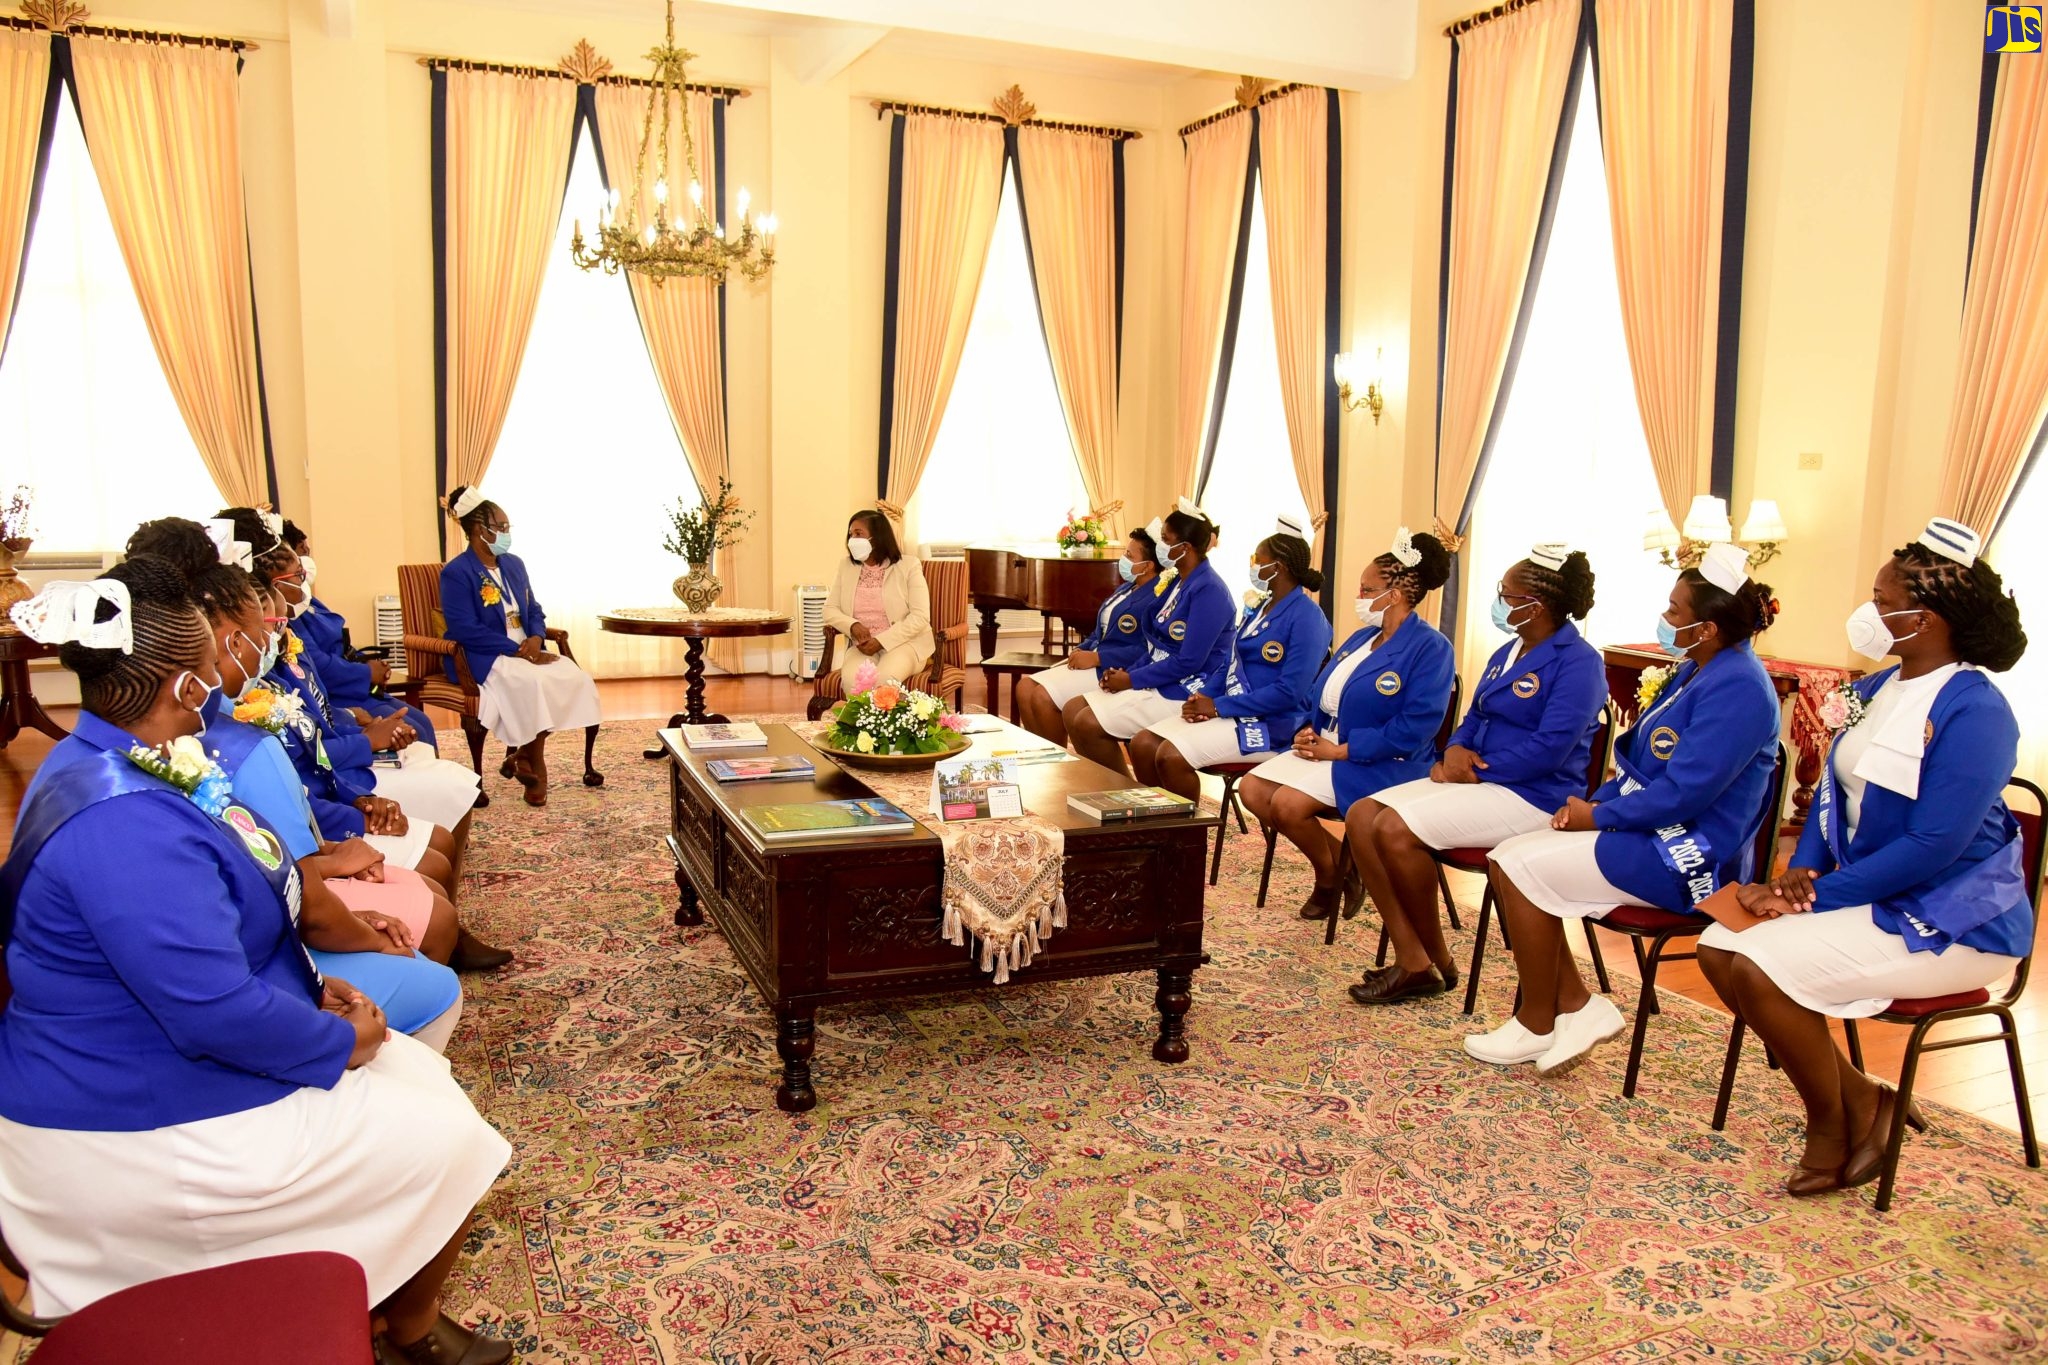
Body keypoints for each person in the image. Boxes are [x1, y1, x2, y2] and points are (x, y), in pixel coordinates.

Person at [0, 565, 513, 1363]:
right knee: (448, 1134)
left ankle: (374, 1294)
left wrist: (312, 986)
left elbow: (225, 931)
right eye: (210, 668)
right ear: (185, 683)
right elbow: (208, 1010)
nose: (222, 682)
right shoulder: (124, 824)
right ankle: (395, 1323)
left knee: (426, 1080)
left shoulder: (110, 759)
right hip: (127, 1119)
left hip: (150, 1054)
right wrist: (337, 1043)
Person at [1700, 520, 2032, 1196]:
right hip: (1873, 894)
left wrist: (1819, 895)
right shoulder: (1877, 689)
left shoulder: (1978, 710)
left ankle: (1829, 1120)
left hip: (1954, 920)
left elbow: (1936, 844)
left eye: (1884, 600)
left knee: (1761, 969)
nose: (1872, 611)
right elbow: (1829, 793)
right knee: (1716, 945)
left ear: (1927, 619)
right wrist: (1806, 869)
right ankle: (1865, 1100)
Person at [1467, 542, 1781, 1075]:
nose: (1664, 618)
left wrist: (1599, 817)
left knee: (1515, 866)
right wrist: (1592, 804)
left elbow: (1685, 794)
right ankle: (1573, 1008)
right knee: (1510, 857)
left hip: (1689, 854)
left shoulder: (1740, 687)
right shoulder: (1700, 668)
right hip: (1647, 828)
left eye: (1675, 611)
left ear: (1706, 628)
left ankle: (1541, 1020)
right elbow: (1641, 765)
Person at [128, 554, 467, 1043]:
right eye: (264, 628)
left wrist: (338, 837)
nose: (275, 637)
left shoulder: (147, 750)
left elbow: (263, 848)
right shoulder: (234, 741)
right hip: (256, 966)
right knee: (436, 978)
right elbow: (288, 892)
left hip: (282, 900)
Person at [1346, 544, 1607, 1004]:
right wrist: (1456, 749)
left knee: (1392, 827)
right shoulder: (1509, 650)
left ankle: (1433, 959)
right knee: (1363, 816)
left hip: (1533, 795)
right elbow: (1473, 716)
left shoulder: (1579, 662)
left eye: (1507, 596)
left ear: (1536, 605)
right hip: (1481, 782)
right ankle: (1416, 959)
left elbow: (1551, 748)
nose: (1500, 603)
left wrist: (1476, 773)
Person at [1241, 529, 1455, 921]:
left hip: (1380, 761)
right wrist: (1306, 728)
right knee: (1252, 789)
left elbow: (1417, 726)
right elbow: (1322, 692)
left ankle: (1329, 878)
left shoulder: (1431, 647)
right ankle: (1344, 865)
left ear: (1393, 595)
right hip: (1327, 747)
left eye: (1366, 588)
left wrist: (1342, 750)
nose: (1359, 597)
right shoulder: (1362, 637)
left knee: (1287, 806)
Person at [1133, 519, 1332, 802]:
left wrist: (1217, 706)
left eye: (1257, 559)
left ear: (1278, 567)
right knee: (1143, 744)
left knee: (1170, 755)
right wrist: (1203, 696)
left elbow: (1289, 693)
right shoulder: (1261, 606)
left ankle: (1187, 844)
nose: (1252, 565)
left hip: (1272, 723)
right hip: (1231, 708)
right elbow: (1230, 661)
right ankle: (1157, 830)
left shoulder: (1308, 617)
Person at [440, 486, 602, 808]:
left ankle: (523, 756)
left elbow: (534, 609)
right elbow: (463, 629)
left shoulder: (514, 564)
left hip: (526, 648)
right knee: (531, 683)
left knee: (575, 678)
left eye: (507, 527)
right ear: (477, 531)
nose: (505, 533)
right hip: (486, 654)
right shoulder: (457, 573)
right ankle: (535, 765)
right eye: (499, 527)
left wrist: (537, 638)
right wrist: (515, 650)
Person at [1065, 500, 1235, 779]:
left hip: (1183, 687)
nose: (1161, 548)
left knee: (1088, 722)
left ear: (1185, 548)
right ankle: (1116, 794)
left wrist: (1131, 681)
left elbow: (1189, 661)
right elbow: (1154, 644)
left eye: (1166, 541)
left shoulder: (1209, 590)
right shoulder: (1180, 580)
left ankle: (1126, 796)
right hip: (1156, 676)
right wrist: (1126, 672)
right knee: (1074, 709)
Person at [274, 516, 439, 748]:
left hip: (355, 684)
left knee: (423, 722)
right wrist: (366, 672)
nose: (309, 562)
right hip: (338, 693)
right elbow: (319, 665)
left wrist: (367, 664)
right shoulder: (289, 612)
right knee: (416, 732)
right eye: (303, 553)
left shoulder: (307, 600)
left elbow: (337, 643)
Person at [1015, 528, 1162, 747]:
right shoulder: (1125, 589)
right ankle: (1044, 758)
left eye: (1130, 556)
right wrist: (1081, 648)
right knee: (1024, 688)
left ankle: (1059, 766)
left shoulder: (1156, 597)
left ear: (1148, 566)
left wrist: (1098, 658)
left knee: (1042, 697)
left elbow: (1146, 649)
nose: (1124, 559)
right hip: (1092, 660)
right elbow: (1100, 631)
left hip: (1112, 668)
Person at [821, 509, 933, 700]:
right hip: (862, 645)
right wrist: (852, 625)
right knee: (854, 683)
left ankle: (890, 729)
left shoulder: (909, 565)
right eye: (850, 534)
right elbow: (829, 609)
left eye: (858, 534)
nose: (852, 539)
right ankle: (860, 730)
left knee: (884, 680)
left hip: (904, 644)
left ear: (877, 537)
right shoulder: (846, 566)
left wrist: (882, 641)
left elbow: (920, 617)